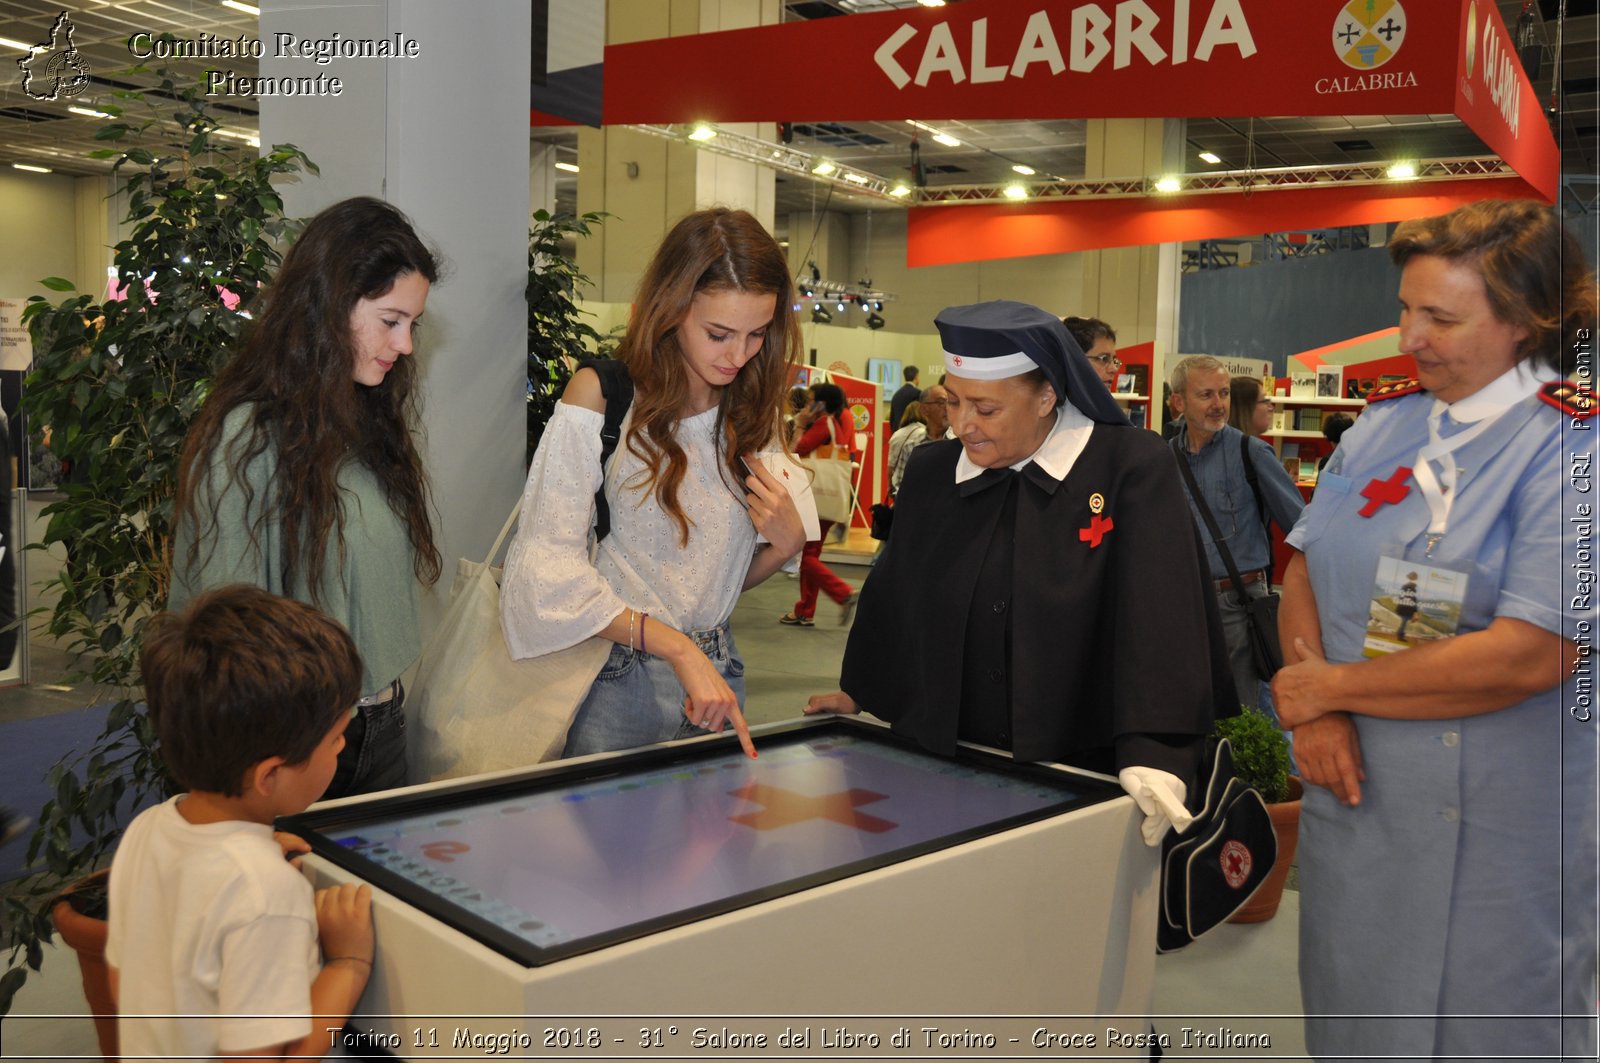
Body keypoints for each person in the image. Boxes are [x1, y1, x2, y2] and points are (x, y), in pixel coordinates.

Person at [1271, 200, 1597, 1059]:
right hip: (1358, 793)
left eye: (1440, 318)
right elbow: (1303, 569)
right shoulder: (1383, 425)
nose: (1409, 337)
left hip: (1497, 826)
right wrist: (1320, 715)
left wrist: (1328, 687)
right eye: (1406, 309)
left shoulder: (1573, 447)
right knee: (1354, 1006)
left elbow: (1538, 650)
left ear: (1529, 322)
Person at [807, 301, 1237, 846]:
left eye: (985, 409)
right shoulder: (934, 472)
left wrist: (1156, 753)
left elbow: (1160, 615)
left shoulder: (1130, 467)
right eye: (955, 401)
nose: (963, 424)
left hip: (1078, 771)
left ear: (1047, 396)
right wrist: (861, 690)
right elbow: (897, 591)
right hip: (945, 765)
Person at [501, 207, 806, 760]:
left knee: (711, 846)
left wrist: (787, 546)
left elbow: (706, 587)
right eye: (719, 334)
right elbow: (544, 575)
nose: (738, 355)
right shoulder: (602, 395)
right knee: (607, 846)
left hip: (718, 675)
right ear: (672, 310)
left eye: (757, 334)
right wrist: (679, 651)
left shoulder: (748, 412)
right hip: (615, 681)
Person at [169, 197, 441, 800]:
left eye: (413, 325)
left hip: (380, 727)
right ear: (329, 306)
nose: (406, 345)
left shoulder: (367, 421)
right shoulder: (247, 438)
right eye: (391, 320)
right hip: (296, 744)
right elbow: (220, 630)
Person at [107, 585, 374, 1060]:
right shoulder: (266, 891)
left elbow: (122, 980)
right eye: (336, 737)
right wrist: (349, 963)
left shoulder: (148, 829)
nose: (341, 747)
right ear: (270, 774)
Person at [1169, 355, 1304, 713]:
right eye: (1206, 395)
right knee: (1190, 708)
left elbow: (1302, 528)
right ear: (1178, 401)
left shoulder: (1252, 452)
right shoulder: (1164, 459)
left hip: (1239, 604)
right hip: (1184, 604)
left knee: (1239, 715)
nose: (1219, 405)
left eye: (1224, 393)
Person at [781, 380, 858, 627]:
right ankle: (805, 610)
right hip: (826, 498)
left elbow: (796, 449)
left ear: (821, 404)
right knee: (811, 553)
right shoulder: (832, 423)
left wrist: (801, 425)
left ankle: (842, 592)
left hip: (814, 498)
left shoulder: (824, 424)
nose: (808, 404)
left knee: (806, 556)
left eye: (812, 399)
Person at [886, 383, 949, 495]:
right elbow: (900, 486)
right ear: (924, 409)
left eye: (950, 402)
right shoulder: (911, 447)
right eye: (940, 402)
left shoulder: (962, 444)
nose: (947, 407)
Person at [1063, 315, 1120, 392]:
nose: (1114, 369)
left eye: (1114, 360)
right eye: (1103, 358)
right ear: (1073, 361)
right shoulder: (1049, 402)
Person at [888, 364, 921, 434]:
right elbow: (920, 416)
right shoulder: (917, 393)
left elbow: (892, 418)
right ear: (916, 376)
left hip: (897, 433)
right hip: (912, 433)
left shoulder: (896, 395)